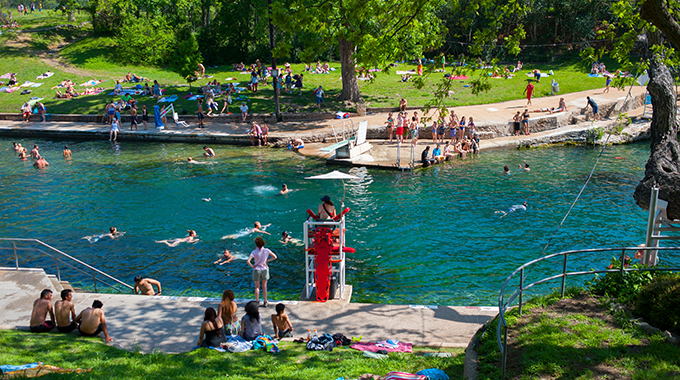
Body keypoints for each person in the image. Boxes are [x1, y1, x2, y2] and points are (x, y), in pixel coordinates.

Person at [247, 236, 277, 307]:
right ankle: (265, 301)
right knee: (264, 286)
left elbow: (248, 261)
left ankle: (257, 301)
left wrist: (252, 266)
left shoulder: (254, 252)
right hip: (264, 269)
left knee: (257, 287)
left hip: (257, 269)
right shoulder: (267, 250)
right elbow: (275, 257)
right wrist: (267, 260)